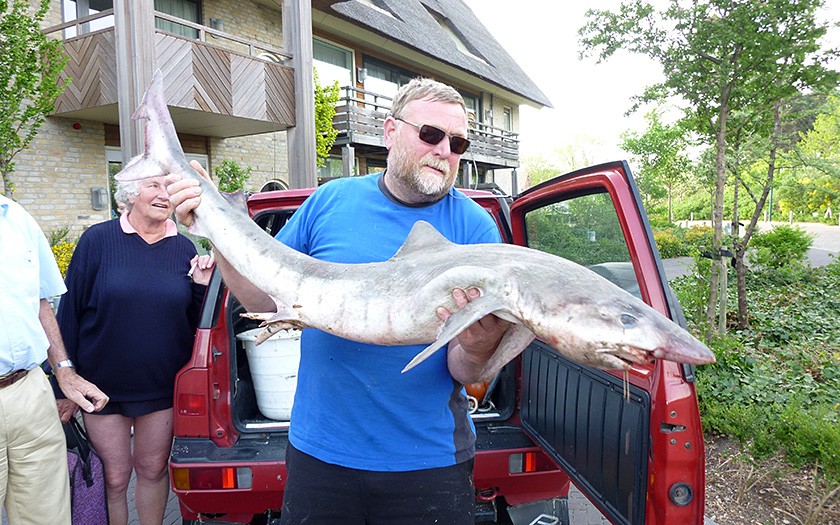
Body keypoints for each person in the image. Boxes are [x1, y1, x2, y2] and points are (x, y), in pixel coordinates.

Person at [167, 77, 511, 524]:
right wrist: (213, 229)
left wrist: (480, 346)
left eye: (458, 142)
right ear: (390, 132)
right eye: (430, 134)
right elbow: (266, 298)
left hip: (430, 462)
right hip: (321, 456)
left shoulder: (476, 232)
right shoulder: (330, 202)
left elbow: (465, 371)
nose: (445, 150)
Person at [55, 172, 215, 525]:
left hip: (160, 386)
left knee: (153, 470)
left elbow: (194, 323)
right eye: (153, 186)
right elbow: (69, 313)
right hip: (101, 387)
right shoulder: (96, 241)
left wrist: (202, 287)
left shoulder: (184, 247)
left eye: (168, 188)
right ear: (130, 194)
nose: (163, 195)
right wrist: (62, 384)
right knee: (114, 477)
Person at [0, 194, 109, 525]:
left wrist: (64, 370)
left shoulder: (17, 217)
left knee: (47, 517)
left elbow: (40, 301)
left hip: (29, 391)